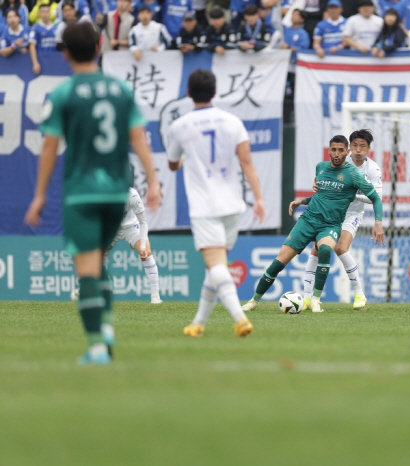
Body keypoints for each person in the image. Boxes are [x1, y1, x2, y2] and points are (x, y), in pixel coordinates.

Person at [24, 21, 160, 365]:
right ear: (100, 46)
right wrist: (154, 181)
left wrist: (39, 195)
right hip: (117, 193)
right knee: (97, 262)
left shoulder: (63, 94)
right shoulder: (119, 90)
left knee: (88, 267)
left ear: (65, 52)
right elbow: (138, 139)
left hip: (82, 194)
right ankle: (108, 326)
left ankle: (98, 346)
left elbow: (49, 148)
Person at [166, 69, 265, 338]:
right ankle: (198, 324)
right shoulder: (232, 122)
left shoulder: (180, 126)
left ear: (187, 93)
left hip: (205, 207)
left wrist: (187, 159)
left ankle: (240, 319)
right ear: (215, 92)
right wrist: (258, 198)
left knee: (217, 265)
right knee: (216, 266)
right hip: (233, 205)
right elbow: (247, 163)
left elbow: (172, 164)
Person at [242, 135, 385, 313]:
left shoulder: (355, 174)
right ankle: (254, 301)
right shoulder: (321, 167)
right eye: (334, 149)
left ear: (346, 152)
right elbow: (323, 195)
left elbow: (376, 199)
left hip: (331, 224)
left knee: (326, 250)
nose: (337, 153)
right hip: (308, 220)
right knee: (281, 260)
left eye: (341, 150)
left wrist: (378, 222)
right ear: (329, 150)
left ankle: (316, 299)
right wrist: (302, 201)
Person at [294, 129, 382, 310]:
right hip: (330, 212)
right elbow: (323, 181)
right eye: (355, 146)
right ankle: (307, 297)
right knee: (316, 249)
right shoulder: (340, 160)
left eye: (362, 146)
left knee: (341, 248)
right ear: (349, 148)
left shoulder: (373, 169)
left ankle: (359, 295)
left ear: (368, 149)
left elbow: (377, 197)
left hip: (352, 214)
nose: (358, 150)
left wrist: (349, 194)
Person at [106, 187, 162, 304]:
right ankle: (104, 290)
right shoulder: (102, 193)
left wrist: (142, 246)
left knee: (146, 251)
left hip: (131, 227)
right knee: (97, 255)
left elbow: (143, 222)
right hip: (111, 227)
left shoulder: (132, 195)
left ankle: (155, 296)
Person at [29, 4, 59, 75]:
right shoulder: (35, 28)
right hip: (41, 61)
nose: (45, 14)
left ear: (50, 13)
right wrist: (35, 63)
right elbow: (32, 46)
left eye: (47, 11)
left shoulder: (56, 28)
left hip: (55, 61)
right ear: (39, 14)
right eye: (43, 12)